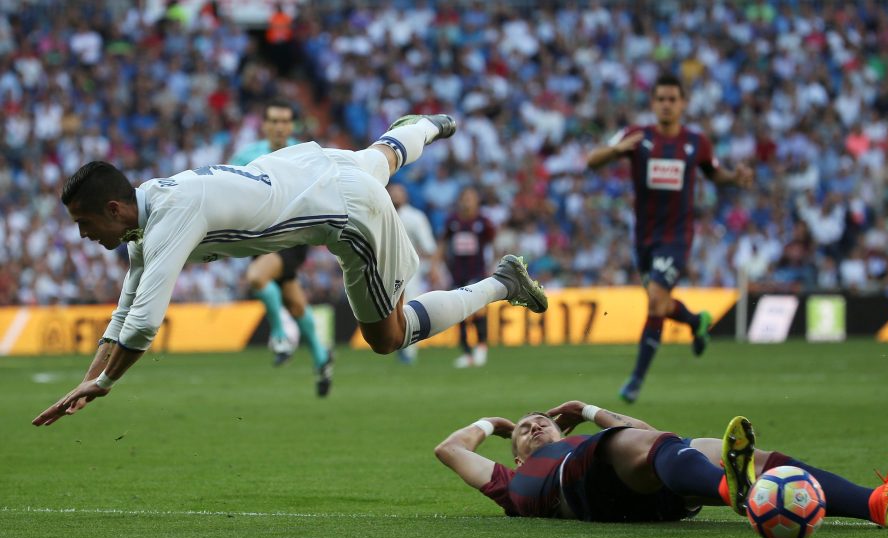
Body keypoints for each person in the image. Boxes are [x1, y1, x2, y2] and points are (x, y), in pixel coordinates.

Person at [33, 114, 548, 426]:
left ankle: (501, 282)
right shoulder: (147, 210)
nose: (83, 236)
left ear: (114, 210)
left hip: (348, 213)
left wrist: (103, 385)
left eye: (84, 223)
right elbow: (125, 312)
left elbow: (144, 325)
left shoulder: (169, 217)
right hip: (309, 168)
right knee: (380, 156)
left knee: (387, 337)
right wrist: (85, 382)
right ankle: (425, 126)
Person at [435, 400, 888, 528]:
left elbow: (646, 431)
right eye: (524, 430)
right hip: (578, 489)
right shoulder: (513, 480)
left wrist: (587, 410)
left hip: (644, 491)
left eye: (541, 421)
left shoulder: (584, 440)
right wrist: (493, 422)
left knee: (704, 447)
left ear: (564, 430)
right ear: (517, 453)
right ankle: (730, 490)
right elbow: (450, 450)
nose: (534, 426)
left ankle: (878, 504)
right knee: (642, 445)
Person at [585, 73, 754, 402]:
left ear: (683, 104)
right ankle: (695, 320)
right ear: (653, 103)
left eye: (672, 99)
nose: (666, 104)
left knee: (656, 297)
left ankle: (635, 379)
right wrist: (617, 149)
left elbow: (714, 172)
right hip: (644, 238)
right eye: (660, 99)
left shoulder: (696, 142)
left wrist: (735, 177)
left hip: (677, 236)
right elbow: (592, 161)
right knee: (660, 302)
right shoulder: (637, 136)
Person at [229, 100, 333, 396]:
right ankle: (322, 358)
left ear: (292, 126)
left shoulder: (305, 155)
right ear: (264, 125)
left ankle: (281, 336)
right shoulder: (246, 156)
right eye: (274, 120)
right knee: (295, 302)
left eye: (285, 121)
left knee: (256, 278)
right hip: (260, 235)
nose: (279, 126)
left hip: (293, 235)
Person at [440, 186, 496, 368]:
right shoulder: (452, 221)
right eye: (464, 198)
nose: (467, 201)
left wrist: (493, 266)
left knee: (478, 310)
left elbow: (493, 243)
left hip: (477, 273)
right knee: (460, 313)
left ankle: (481, 347)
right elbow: (443, 243)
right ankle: (467, 353)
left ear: (477, 201)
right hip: (457, 273)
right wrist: (437, 266)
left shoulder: (483, 221)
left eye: (470, 198)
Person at [387, 182, 440, 364]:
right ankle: (397, 344)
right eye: (392, 192)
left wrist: (432, 268)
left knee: (407, 308)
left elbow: (429, 247)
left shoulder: (415, 218)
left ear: (406, 196)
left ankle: (408, 353)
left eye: (398, 193)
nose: (395, 196)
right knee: (389, 310)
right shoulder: (381, 214)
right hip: (385, 270)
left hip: (409, 271)